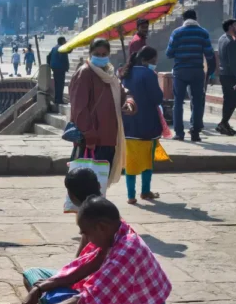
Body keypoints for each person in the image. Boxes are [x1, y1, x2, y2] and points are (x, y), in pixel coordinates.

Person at [20, 197, 170, 304]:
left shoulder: (126, 251)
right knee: (34, 274)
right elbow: (88, 266)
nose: (85, 238)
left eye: (85, 233)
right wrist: (40, 288)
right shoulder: (116, 232)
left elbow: (87, 299)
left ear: (101, 227)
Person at [68, 38, 134, 186]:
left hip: (109, 136)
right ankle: (88, 208)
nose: (101, 56)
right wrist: (89, 134)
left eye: (104, 54)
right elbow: (79, 109)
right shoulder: (84, 73)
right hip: (91, 139)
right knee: (87, 183)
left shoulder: (109, 72)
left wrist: (129, 101)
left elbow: (122, 91)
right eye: (97, 53)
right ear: (91, 53)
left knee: (101, 181)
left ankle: (96, 207)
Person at [121, 46, 164, 205]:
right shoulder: (148, 74)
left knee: (130, 161)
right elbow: (157, 97)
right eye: (154, 60)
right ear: (147, 60)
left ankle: (130, 195)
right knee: (147, 160)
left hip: (128, 124)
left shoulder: (125, 73)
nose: (155, 63)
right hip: (147, 124)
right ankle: (145, 191)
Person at [166, 9, 215, 142]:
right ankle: (195, 132)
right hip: (197, 71)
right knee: (197, 102)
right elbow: (209, 54)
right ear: (196, 18)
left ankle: (179, 133)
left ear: (183, 19)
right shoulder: (203, 33)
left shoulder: (176, 33)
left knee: (178, 102)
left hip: (180, 71)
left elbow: (169, 53)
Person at [216, 19, 236, 136]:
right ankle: (223, 123)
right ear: (231, 26)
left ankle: (224, 124)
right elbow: (233, 62)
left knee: (227, 100)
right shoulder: (231, 42)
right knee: (234, 99)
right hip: (230, 75)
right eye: (235, 25)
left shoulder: (222, 38)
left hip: (223, 73)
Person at [48, 37, 70, 107]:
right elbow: (64, 57)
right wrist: (66, 67)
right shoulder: (62, 48)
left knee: (57, 84)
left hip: (55, 68)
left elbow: (48, 56)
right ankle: (59, 100)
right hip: (60, 68)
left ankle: (56, 99)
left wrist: (50, 65)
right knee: (60, 84)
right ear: (62, 41)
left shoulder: (54, 48)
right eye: (65, 41)